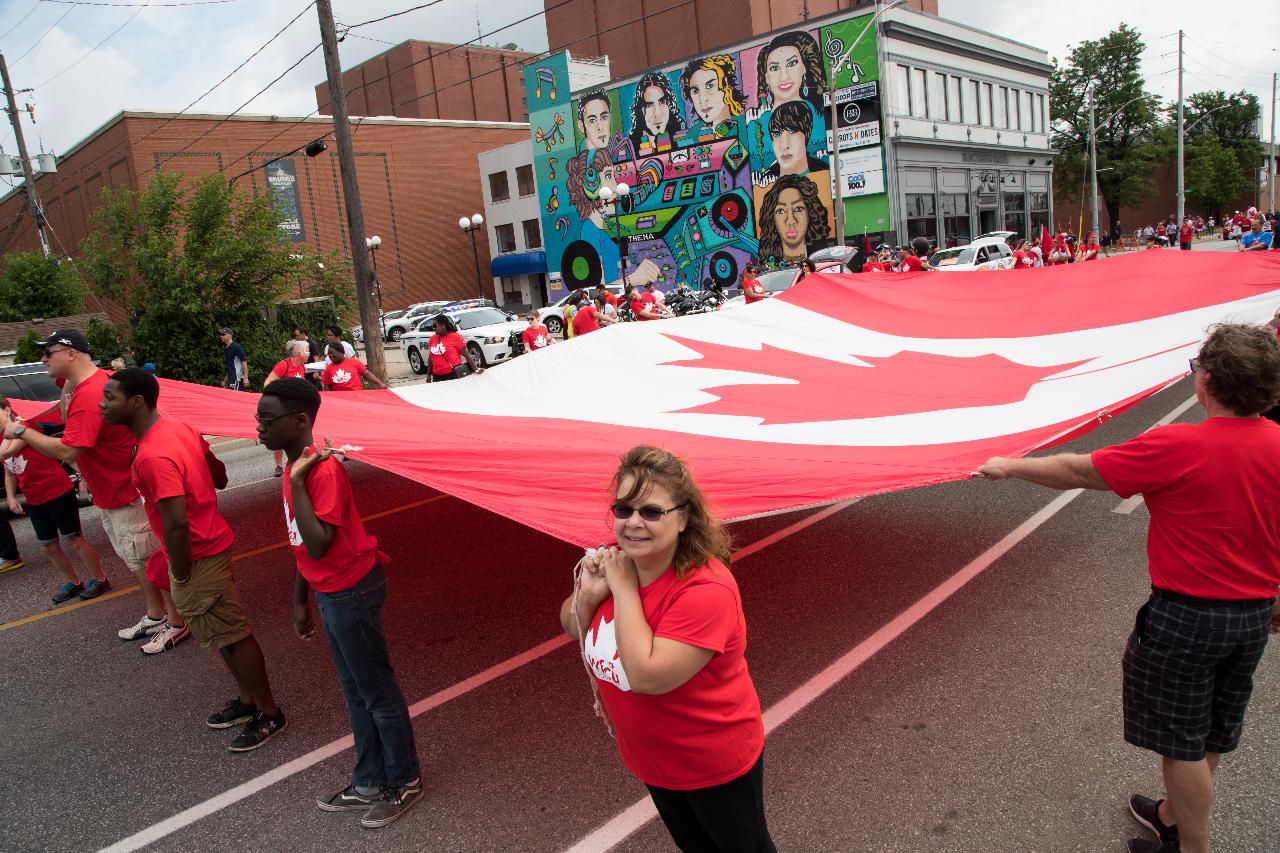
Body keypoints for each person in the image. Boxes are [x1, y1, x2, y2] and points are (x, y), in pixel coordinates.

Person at [976, 323, 1280, 853]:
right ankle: (1169, 814)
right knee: (1212, 729)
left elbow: (1080, 470)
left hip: (1186, 620)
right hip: (1252, 618)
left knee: (1181, 743)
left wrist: (1009, 466)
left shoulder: (1178, 444)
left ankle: (1191, 847)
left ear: (1207, 382)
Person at [559, 446, 773, 852]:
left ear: (684, 518)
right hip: (653, 759)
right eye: (623, 510)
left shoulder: (705, 590)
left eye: (651, 512)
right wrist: (588, 597)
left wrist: (622, 589)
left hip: (712, 763)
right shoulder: (622, 563)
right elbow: (573, 625)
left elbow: (647, 676)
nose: (633, 523)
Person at [256, 377, 422, 827]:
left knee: (378, 693)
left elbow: (318, 544)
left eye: (268, 420)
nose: (259, 427)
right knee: (355, 694)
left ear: (301, 420)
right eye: (258, 419)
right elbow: (299, 546)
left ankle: (403, 781)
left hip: (351, 590)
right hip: (330, 591)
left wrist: (297, 481)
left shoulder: (318, 471)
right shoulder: (299, 470)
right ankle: (368, 779)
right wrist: (299, 601)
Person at [102, 368, 286, 745]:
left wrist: (181, 573)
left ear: (137, 402)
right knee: (219, 634)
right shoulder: (179, 427)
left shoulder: (153, 455)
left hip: (197, 554)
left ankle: (269, 714)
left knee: (232, 635)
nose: (103, 405)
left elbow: (177, 525)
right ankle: (249, 700)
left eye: (110, 397)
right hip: (204, 546)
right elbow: (219, 476)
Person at [1, 330, 184, 638]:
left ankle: (176, 621)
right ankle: (156, 614)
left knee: (147, 559)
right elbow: (66, 394)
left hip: (123, 491)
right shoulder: (80, 384)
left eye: (49, 352)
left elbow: (69, 450)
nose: (43, 358)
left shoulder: (89, 395)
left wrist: (19, 432)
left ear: (71, 354)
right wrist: (68, 381)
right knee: (136, 560)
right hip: (110, 492)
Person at [1, 396, 108, 604]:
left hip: (56, 490)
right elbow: (9, 471)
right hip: (34, 497)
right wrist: (11, 497)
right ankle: (75, 582)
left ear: (6, 409)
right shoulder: (6, 434)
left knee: (74, 539)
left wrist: (11, 427)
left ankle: (99, 579)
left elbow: (6, 452)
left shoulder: (23, 427)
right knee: (48, 546)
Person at [756, 173, 830, 266]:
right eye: (781, 211)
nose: (790, 221)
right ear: (772, 218)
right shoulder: (770, 267)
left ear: (810, 213)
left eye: (798, 209)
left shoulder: (822, 263)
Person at [266, 340, 311, 476]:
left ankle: (300, 460)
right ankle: (279, 466)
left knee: (300, 434)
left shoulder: (302, 366)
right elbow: (268, 383)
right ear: (298, 353)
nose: (308, 353)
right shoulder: (283, 365)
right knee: (280, 435)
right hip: (282, 408)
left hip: (296, 408)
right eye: (306, 350)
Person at [679, 54, 745, 138]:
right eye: (695, 91)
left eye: (710, 86)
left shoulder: (745, 125)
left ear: (725, 85)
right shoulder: (694, 134)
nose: (702, 99)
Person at [762, 101, 827, 179]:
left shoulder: (823, 172)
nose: (784, 145)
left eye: (793, 131)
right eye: (776, 134)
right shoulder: (766, 180)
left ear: (806, 134)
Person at [628, 71, 684, 153]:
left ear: (669, 104)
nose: (657, 114)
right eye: (649, 105)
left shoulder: (680, 133)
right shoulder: (631, 146)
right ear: (640, 110)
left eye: (662, 102)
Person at [426, 315, 484, 381]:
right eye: (432, 327)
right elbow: (430, 358)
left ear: (443, 325)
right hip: (437, 376)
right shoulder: (432, 339)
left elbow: (467, 355)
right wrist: (428, 376)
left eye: (435, 326)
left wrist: (476, 369)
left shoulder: (456, 337)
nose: (433, 329)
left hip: (453, 374)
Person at [321, 343, 387, 392]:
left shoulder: (354, 362)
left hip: (357, 395)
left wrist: (380, 384)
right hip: (340, 399)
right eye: (329, 354)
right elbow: (327, 387)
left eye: (332, 353)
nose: (330, 355)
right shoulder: (328, 369)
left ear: (341, 352)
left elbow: (367, 374)